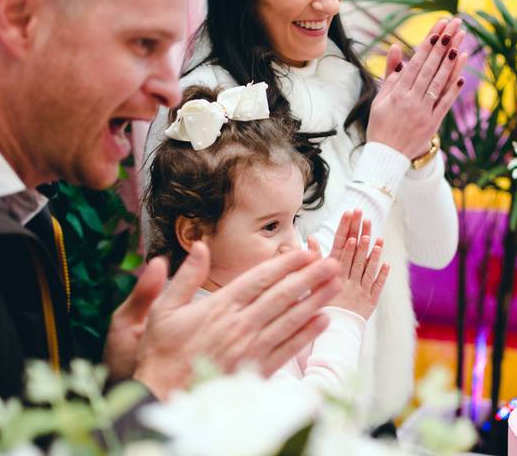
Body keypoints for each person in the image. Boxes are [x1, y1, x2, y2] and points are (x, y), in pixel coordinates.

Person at [0, 0, 344, 438]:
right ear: (18, 17)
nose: (170, 93)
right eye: (141, 45)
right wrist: (156, 390)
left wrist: (120, 383)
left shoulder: (6, 194)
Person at [142, 0, 463, 422]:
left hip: (372, 417)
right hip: (292, 420)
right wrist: (386, 153)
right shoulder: (205, 110)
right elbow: (286, 277)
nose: (330, 1)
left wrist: (416, 148)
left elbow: (436, 251)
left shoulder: (347, 79)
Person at [145, 83, 389, 396]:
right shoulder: (212, 335)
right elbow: (310, 430)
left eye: (295, 219)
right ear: (194, 234)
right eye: (271, 227)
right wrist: (344, 318)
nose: (294, 244)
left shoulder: (237, 304)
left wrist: (314, 307)